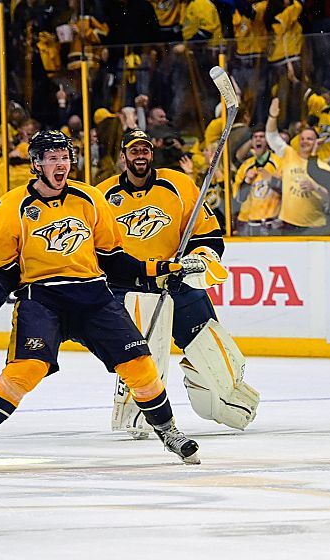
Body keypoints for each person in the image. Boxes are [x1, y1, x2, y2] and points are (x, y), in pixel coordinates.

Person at [0, 131, 202, 473]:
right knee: (26, 369)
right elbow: (3, 267)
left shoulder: (90, 199)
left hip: (94, 296)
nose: (60, 164)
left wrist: (160, 269)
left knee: (140, 364)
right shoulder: (12, 206)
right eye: (52, 158)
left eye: (64, 157)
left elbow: (114, 260)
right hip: (43, 299)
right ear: (37, 164)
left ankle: (169, 433)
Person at [97, 129, 260, 438]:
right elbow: (96, 250)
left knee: (219, 368)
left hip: (178, 282)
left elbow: (208, 234)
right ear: (123, 157)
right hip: (131, 288)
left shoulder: (178, 184)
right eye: (134, 151)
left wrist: (200, 257)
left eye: (145, 149)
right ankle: (136, 411)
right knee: (140, 356)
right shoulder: (102, 196)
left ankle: (222, 395)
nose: (140, 155)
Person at [264, 100, 330, 234]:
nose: (304, 142)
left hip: (314, 227)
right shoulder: (289, 154)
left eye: (309, 139)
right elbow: (271, 136)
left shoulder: (324, 167)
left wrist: (315, 187)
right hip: (288, 225)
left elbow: (329, 199)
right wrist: (272, 117)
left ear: (317, 142)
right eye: (302, 138)